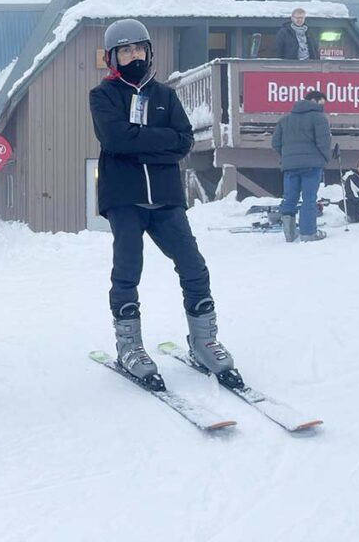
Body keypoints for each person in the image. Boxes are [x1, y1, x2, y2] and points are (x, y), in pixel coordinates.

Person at [89, 19, 241, 391]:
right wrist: (158, 140)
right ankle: (130, 346)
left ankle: (203, 341)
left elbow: (184, 140)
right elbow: (114, 138)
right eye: (125, 51)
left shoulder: (164, 95)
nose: (133, 56)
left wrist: (139, 139)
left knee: (192, 264)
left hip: (166, 197)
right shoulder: (103, 96)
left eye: (139, 49)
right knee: (128, 268)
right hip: (124, 198)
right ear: (113, 58)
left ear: (148, 52)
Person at [272, 89, 332, 242]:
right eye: (322, 103)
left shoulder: (284, 120)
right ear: (314, 101)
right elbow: (324, 142)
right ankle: (308, 233)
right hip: (312, 165)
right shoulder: (319, 118)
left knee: (289, 198)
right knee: (309, 198)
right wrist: (326, 157)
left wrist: (288, 157)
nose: (323, 107)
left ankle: (290, 234)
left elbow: (275, 143)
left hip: (290, 166)